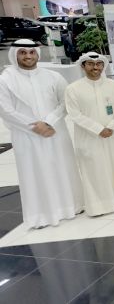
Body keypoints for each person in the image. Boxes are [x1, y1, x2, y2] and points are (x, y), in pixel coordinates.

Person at [0, 40, 83, 228]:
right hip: (26, 135)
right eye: (22, 52)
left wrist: (49, 121)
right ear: (15, 54)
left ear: (37, 54)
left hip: (55, 131)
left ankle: (70, 207)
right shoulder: (5, 80)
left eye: (31, 52)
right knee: (35, 173)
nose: (28, 56)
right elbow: (5, 110)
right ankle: (43, 215)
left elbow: (65, 102)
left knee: (62, 168)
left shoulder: (53, 76)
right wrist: (34, 126)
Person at [65, 52, 114, 216]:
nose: (95, 67)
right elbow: (74, 114)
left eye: (98, 64)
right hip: (89, 137)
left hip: (113, 134)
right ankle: (100, 205)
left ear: (103, 66)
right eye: (90, 64)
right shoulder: (73, 88)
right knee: (95, 169)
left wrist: (111, 126)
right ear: (83, 66)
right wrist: (98, 129)